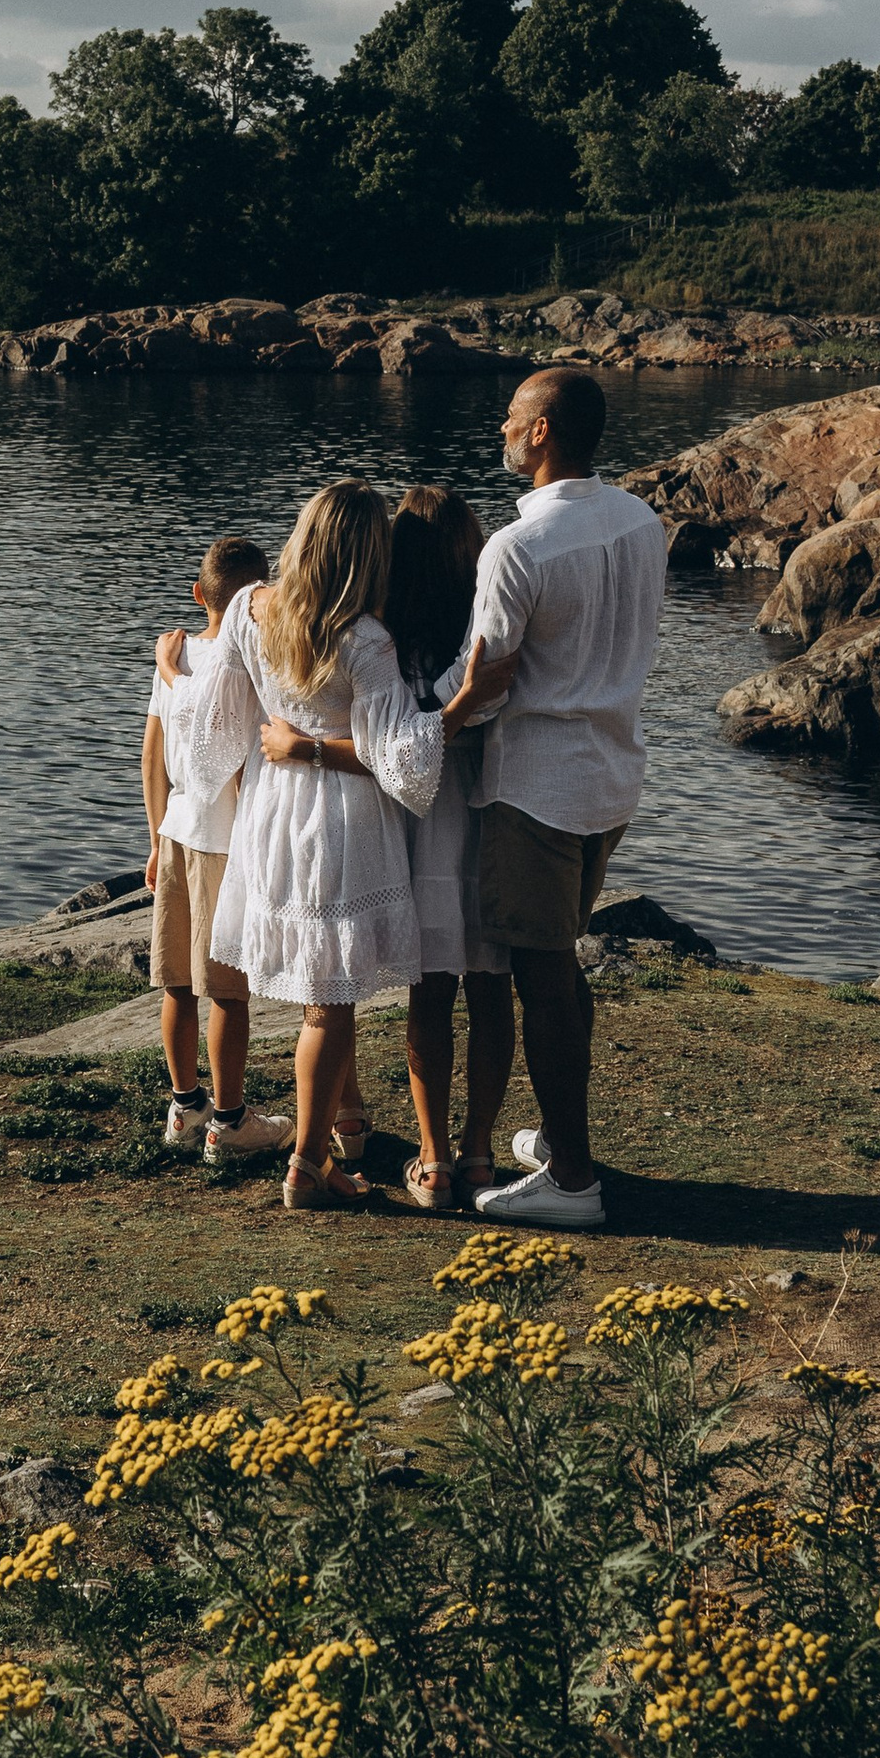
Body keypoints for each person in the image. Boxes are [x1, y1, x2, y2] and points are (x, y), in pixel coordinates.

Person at [162, 480, 505, 1211]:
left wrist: (174, 682)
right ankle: (310, 1167)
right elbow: (402, 758)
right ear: (366, 551)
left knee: (322, 994)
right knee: (331, 1001)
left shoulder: (252, 608)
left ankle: (326, 1152)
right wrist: (463, 705)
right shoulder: (365, 640)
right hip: (345, 819)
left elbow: (216, 730)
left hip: (272, 812)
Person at [465, 367, 668, 1232]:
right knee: (561, 961)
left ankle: (574, 1181)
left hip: (537, 786)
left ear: (542, 431)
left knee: (540, 974)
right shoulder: (640, 521)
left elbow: (485, 680)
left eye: (511, 415)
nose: (501, 428)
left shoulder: (517, 549)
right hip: (613, 772)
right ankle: (558, 1137)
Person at [383, 486, 516, 1212]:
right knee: (491, 986)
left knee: (430, 991)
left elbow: (404, 728)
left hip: (421, 818)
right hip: (486, 807)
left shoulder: (387, 630)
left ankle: (432, 1159)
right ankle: (478, 1151)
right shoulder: (486, 620)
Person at [141, 530, 286, 1166]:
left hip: (175, 830)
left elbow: (153, 755)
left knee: (178, 981)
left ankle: (185, 1104)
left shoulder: (179, 659)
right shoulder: (254, 664)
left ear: (199, 594)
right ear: (263, 595)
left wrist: (154, 837)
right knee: (227, 988)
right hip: (226, 843)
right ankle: (228, 1122)